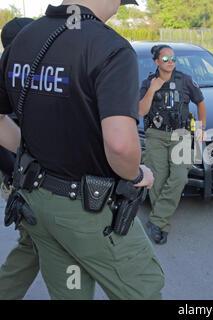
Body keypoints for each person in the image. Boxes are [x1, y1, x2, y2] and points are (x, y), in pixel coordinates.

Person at [0, 0, 164, 300]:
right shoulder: (109, 46)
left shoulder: (25, 38)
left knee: (70, 293)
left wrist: (33, 152)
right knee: (145, 289)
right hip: (88, 210)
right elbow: (119, 145)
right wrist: (137, 173)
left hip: (36, 202)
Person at [139, 44, 207, 245]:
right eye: (166, 59)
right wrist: (152, 89)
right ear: (157, 62)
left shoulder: (185, 80)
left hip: (181, 135)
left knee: (179, 177)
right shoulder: (147, 83)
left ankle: (157, 219)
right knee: (157, 180)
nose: (171, 62)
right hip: (156, 136)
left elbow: (201, 102)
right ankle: (160, 224)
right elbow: (141, 111)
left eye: (173, 59)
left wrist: (201, 128)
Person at [0, 17, 40, 301]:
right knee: (36, 243)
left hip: (22, 174)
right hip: (19, 177)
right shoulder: (11, 76)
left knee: (32, 245)